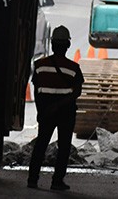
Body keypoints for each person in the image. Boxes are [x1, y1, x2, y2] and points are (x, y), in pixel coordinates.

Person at [27, 25, 84, 191]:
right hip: (66, 113)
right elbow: (77, 92)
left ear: (52, 44)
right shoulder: (73, 68)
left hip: (45, 111)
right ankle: (57, 181)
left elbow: (37, 90)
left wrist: (41, 111)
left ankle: (32, 179)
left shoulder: (39, 65)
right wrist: (59, 105)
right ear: (67, 45)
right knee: (64, 147)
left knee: (40, 145)